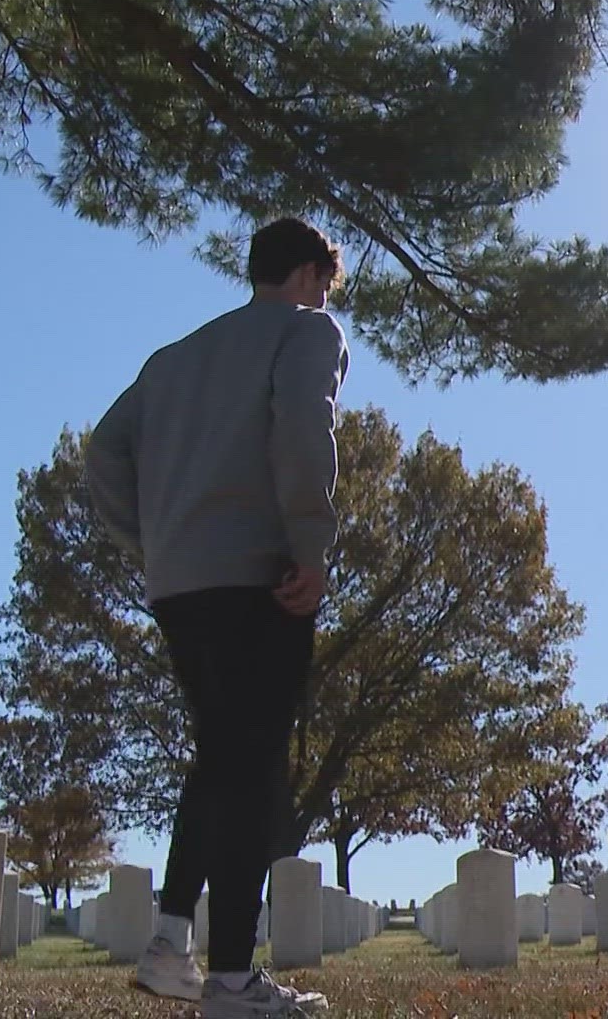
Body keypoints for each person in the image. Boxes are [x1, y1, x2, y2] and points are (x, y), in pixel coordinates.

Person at [85, 218, 348, 1018]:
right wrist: (312, 544)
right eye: (325, 284)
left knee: (220, 757)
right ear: (309, 275)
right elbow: (305, 429)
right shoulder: (307, 331)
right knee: (254, 768)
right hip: (259, 575)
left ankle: (172, 942)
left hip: (178, 580)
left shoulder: (173, 359)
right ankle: (233, 979)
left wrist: (151, 540)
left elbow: (103, 449)